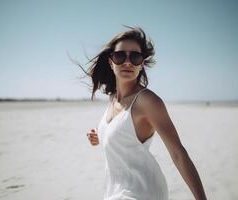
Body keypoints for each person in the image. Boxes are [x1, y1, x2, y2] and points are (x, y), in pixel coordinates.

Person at [82, 26, 207, 200]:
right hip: (114, 190)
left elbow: (178, 153)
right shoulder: (112, 99)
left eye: (135, 57)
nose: (127, 62)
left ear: (141, 64)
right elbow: (124, 136)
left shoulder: (147, 101)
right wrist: (98, 135)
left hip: (141, 192)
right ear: (111, 62)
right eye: (120, 56)